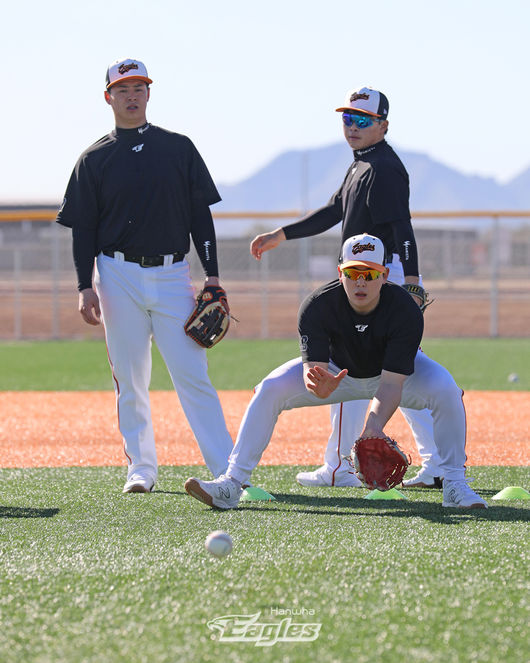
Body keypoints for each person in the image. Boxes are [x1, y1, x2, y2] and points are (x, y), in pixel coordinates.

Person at [184, 234, 487, 510]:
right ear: (340, 273)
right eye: (353, 273)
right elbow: (312, 371)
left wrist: (373, 427)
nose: (361, 282)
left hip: (390, 378)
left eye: (369, 274)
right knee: (270, 388)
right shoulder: (317, 306)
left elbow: (392, 384)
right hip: (336, 375)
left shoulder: (404, 310)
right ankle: (231, 483)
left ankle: (454, 485)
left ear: (384, 275)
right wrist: (318, 386)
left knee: (446, 389)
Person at [249, 86, 442, 489]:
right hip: (371, 275)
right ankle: (434, 462)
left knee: (358, 365)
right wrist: (282, 234)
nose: (352, 126)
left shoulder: (383, 168)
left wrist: (410, 280)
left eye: (362, 120)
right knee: (397, 370)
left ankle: (340, 466)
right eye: (347, 118)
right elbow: (335, 210)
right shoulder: (362, 165)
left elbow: (401, 226)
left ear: (383, 126)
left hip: (379, 276)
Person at [56, 58, 233, 493]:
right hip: (116, 273)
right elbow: (84, 230)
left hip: (174, 274)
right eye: (123, 89)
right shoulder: (94, 159)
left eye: (139, 87)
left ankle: (229, 470)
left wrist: (212, 276)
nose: (131, 95)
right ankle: (141, 468)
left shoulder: (178, 148)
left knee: (193, 374)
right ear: (108, 97)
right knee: (130, 376)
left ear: (149, 94)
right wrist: (84, 286)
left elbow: (200, 216)